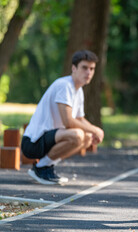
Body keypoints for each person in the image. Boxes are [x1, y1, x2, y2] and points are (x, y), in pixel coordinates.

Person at [21, 50, 104, 185]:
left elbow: (80, 119)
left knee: (87, 138)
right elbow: (69, 122)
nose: (88, 72)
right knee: (77, 135)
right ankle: (41, 168)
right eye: (84, 68)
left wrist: (93, 131)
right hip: (33, 142)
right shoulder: (64, 86)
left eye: (92, 69)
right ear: (73, 68)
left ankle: (45, 166)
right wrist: (95, 129)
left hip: (52, 138)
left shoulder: (79, 90)